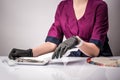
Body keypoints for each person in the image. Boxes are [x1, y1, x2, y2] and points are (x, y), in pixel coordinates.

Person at [9, 0, 113, 60]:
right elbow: (52, 43)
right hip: (75, 61)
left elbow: (95, 51)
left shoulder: (100, 6)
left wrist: (78, 41)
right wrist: (29, 53)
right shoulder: (63, 6)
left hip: (100, 61)